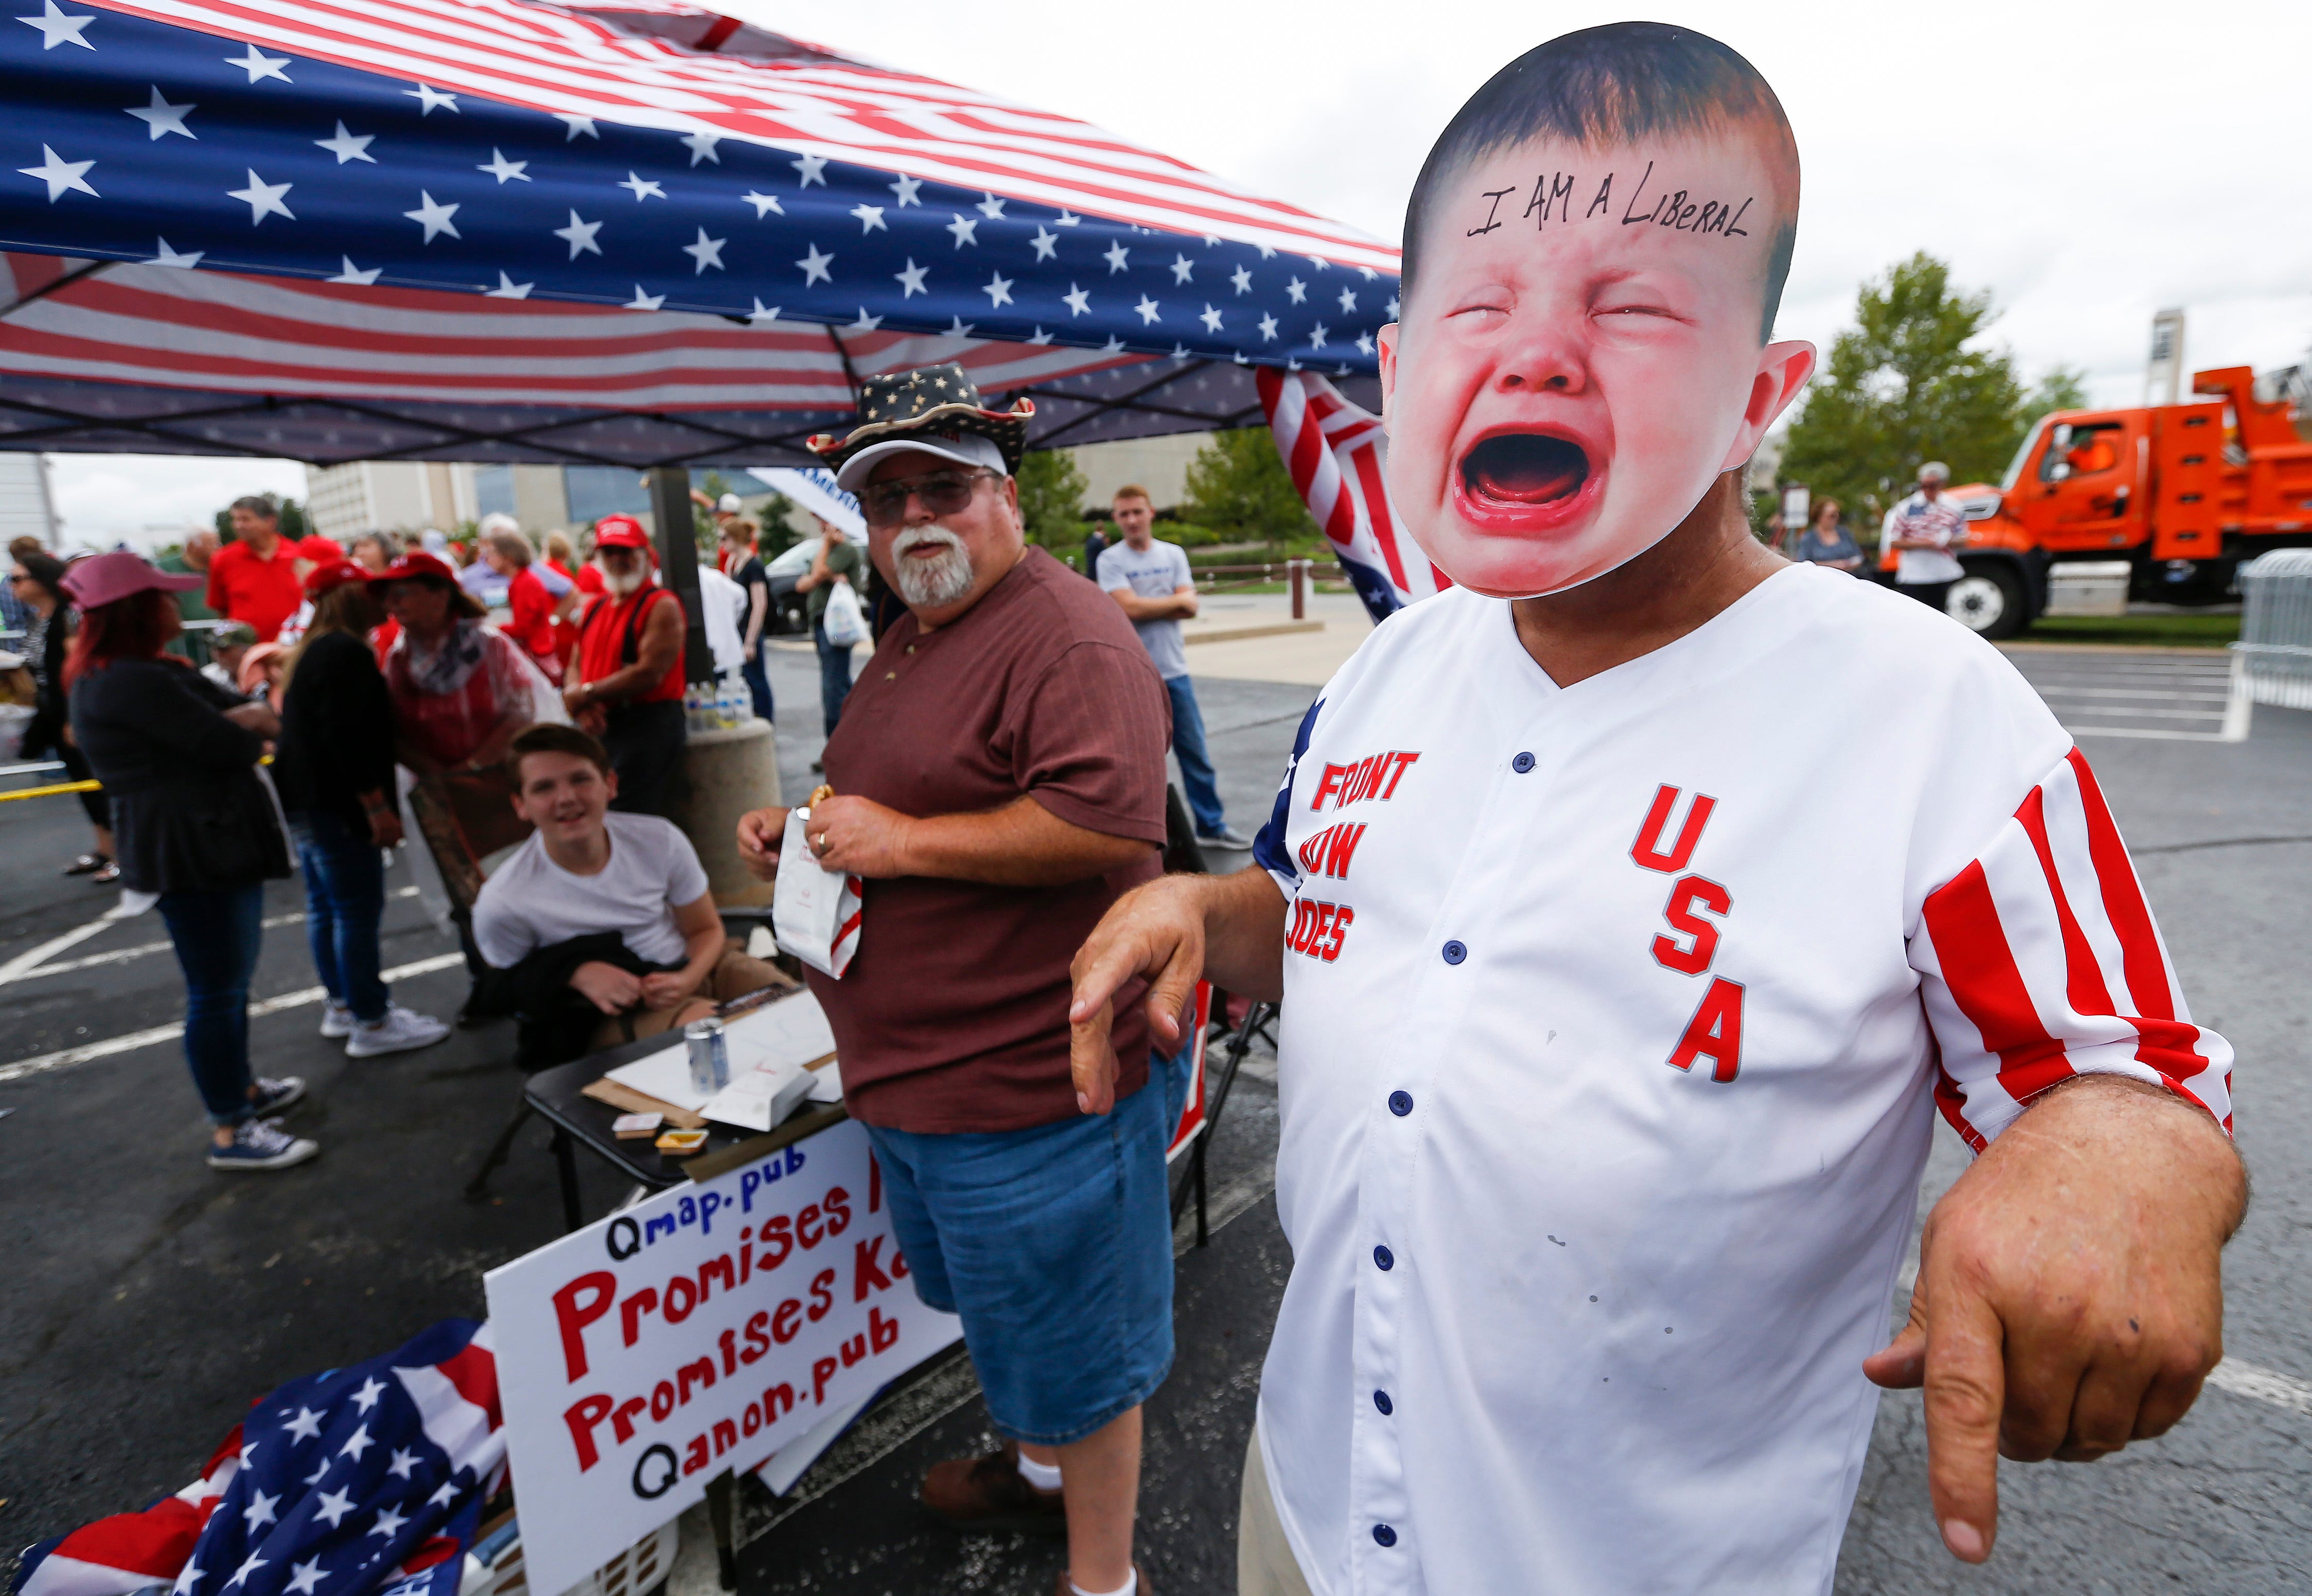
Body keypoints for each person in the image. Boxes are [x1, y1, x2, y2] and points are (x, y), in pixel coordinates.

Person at [1067, 27, 2241, 1596]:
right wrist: (1196, 910)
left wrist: (2119, 1164)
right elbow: (1332, 912)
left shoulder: (1930, 715)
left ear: (1760, 392)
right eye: (1477, 308)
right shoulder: (1397, 663)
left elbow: (2129, 1081)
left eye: (1629, 307)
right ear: (1408, 371)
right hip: (1315, 1502)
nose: (1537, 356)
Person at [738, 362, 1175, 1596]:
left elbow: (1106, 828)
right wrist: (806, 826)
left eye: (945, 487)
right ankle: (1035, 1474)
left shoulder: (1067, 632)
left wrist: (901, 842)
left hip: (1034, 1087)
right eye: (888, 502)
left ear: (1007, 497)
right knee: (1010, 1324)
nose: (915, 519)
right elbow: (898, 794)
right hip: (919, 1083)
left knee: (1082, 1358)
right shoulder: (918, 628)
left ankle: (1104, 1577)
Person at [62, 551, 317, 1172]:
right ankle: (231, 1126)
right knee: (217, 990)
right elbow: (233, 738)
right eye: (164, 597)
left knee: (225, 986)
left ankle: (243, 1092)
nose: (178, 606)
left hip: (193, 846)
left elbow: (231, 727)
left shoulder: (124, 674)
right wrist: (246, 720)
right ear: (138, 610)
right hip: (194, 852)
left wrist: (241, 721)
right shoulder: (133, 680)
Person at [474, 723, 789, 1062]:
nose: (566, 798)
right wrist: (573, 974)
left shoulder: (658, 839)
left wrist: (688, 977)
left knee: (804, 1007)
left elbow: (705, 928)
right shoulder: (505, 900)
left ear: (610, 784)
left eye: (580, 779)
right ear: (521, 805)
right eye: (543, 788)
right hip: (617, 1012)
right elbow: (504, 988)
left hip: (697, 966)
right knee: (726, 1041)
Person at [273, 562, 451, 1057]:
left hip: (309, 801)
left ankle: (345, 1006)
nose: (385, 600)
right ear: (349, 597)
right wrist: (375, 806)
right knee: (354, 911)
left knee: (326, 909)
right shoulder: (345, 651)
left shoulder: (313, 650)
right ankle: (371, 1020)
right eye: (371, 591)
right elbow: (347, 737)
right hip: (340, 803)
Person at [1098, 485, 1250, 848]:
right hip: (1132, 676)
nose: (1132, 520)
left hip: (1175, 673)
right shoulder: (1110, 561)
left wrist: (1146, 604)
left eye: (1137, 512)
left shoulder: (1173, 554)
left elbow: (1190, 608)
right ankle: (1143, 836)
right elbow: (1128, 609)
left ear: (1151, 512)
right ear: (1116, 519)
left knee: (1194, 752)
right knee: (1139, 760)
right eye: (1124, 514)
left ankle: (1210, 828)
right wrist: (1174, 602)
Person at [565, 515, 687, 817]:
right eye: (609, 552)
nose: (618, 559)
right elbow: (576, 662)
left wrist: (585, 695)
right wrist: (580, 702)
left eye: (626, 551)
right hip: (600, 724)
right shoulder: (594, 607)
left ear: (646, 556)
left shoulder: (661, 605)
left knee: (630, 816)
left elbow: (649, 673)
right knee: (599, 813)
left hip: (645, 727)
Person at [374, 551, 536, 774]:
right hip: (435, 789)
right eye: (388, 595)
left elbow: (521, 714)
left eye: (402, 593)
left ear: (441, 597)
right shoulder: (399, 659)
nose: (392, 603)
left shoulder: (489, 646)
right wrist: (440, 777)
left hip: (497, 781)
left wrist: (472, 767)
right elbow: (393, 732)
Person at [12, 552, 114, 880]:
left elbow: (76, 669)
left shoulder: (67, 617)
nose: (13, 586)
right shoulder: (38, 618)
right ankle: (105, 849)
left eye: (18, 579)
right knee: (82, 783)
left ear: (41, 581)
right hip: (53, 713)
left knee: (98, 781)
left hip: (73, 711)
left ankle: (124, 854)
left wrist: (75, 717)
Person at [790, 514, 864, 755]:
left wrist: (823, 558)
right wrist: (820, 574)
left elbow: (819, 572)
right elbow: (802, 584)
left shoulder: (845, 550)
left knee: (833, 687)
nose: (822, 527)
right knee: (838, 682)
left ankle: (838, 749)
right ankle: (850, 744)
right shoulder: (827, 550)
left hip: (836, 627)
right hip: (822, 624)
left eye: (825, 521)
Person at [205, 496, 309, 642]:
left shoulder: (298, 555)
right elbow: (221, 608)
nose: (238, 526)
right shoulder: (223, 560)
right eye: (235, 520)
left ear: (270, 522)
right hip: (249, 651)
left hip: (295, 648)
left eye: (245, 520)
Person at [485, 528, 573, 685]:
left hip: (537, 657)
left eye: (493, 553)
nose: (488, 558)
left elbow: (524, 629)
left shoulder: (524, 582)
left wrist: (494, 628)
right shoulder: (522, 580)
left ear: (508, 557)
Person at [1885, 461, 1968, 613]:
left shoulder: (1954, 506)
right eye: (1924, 485)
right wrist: (1926, 543)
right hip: (1915, 574)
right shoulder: (1906, 507)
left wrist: (1944, 541)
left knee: (1944, 617)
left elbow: (1963, 538)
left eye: (1933, 485)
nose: (1927, 490)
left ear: (1943, 484)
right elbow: (1894, 540)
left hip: (1944, 572)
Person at [720, 517, 775, 722]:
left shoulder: (754, 565)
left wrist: (751, 640)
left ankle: (766, 722)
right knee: (743, 679)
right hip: (738, 629)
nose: (722, 543)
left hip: (750, 631)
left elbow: (759, 605)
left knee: (756, 680)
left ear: (736, 538)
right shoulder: (732, 562)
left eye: (724, 538)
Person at [154, 530, 221, 624]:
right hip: (181, 634)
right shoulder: (165, 568)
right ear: (192, 546)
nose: (218, 547)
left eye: (218, 543)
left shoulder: (221, 568)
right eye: (211, 543)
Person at [1793, 497, 1864, 572]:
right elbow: (1804, 563)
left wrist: (1847, 564)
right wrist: (1833, 565)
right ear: (1820, 516)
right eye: (1832, 516)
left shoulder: (1844, 533)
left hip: (1848, 577)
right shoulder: (1808, 539)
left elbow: (1858, 556)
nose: (1836, 518)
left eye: (1837, 515)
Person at [1079, 519, 1109, 583]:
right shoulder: (1100, 542)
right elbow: (1103, 557)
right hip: (1097, 573)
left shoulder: (1090, 540)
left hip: (1090, 570)